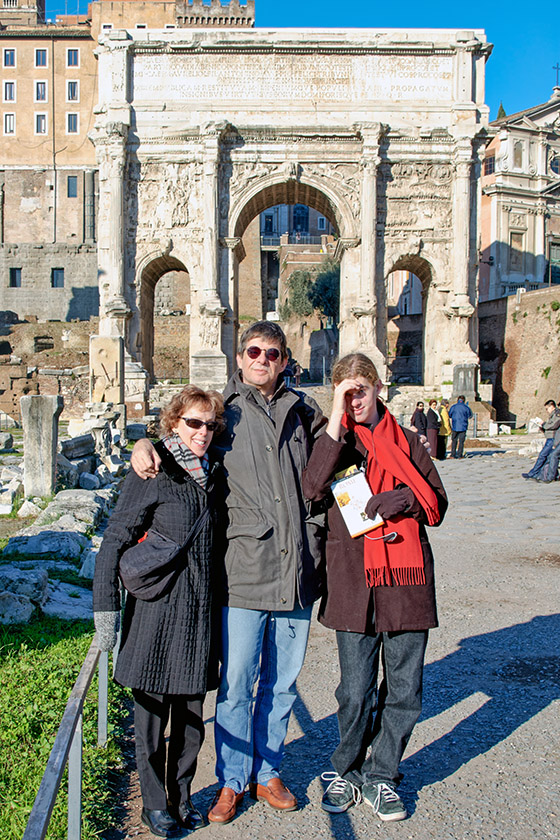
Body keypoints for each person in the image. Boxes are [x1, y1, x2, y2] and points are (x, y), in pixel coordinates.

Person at [130, 321, 326, 824]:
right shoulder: (222, 414)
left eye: (274, 353)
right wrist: (144, 444)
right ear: (240, 358)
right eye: (254, 351)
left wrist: (320, 532)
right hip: (242, 571)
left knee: (282, 683)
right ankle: (233, 780)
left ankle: (268, 772)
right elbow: (181, 440)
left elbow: (337, 459)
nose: (263, 359)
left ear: (285, 360)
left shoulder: (305, 411)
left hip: (296, 569)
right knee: (237, 683)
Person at [302, 353, 447, 822]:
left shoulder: (407, 442)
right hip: (352, 583)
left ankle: (383, 774)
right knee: (355, 691)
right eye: (346, 392)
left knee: (404, 689)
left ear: (379, 388)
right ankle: (344, 769)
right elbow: (311, 488)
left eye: (361, 389)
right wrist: (337, 421)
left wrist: (400, 498)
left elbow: (436, 501)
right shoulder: (334, 443)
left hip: (405, 582)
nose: (355, 398)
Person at [93, 386, 224, 839]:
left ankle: (181, 795)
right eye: (193, 423)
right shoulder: (152, 471)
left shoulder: (216, 473)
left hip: (198, 612)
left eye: (210, 425)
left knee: (189, 719)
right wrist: (105, 610)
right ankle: (153, 804)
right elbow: (115, 538)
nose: (202, 433)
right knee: (150, 719)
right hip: (155, 610)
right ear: (173, 423)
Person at [522, 400, 560, 480]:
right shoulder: (553, 415)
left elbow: (553, 425)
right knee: (548, 457)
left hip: (553, 438)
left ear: (551, 407)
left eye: (547, 409)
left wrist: (543, 424)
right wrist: (542, 427)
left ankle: (534, 473)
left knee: (544, 456)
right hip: (550, 437)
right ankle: (546, 474)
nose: (546, 411)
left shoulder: (557, 414)